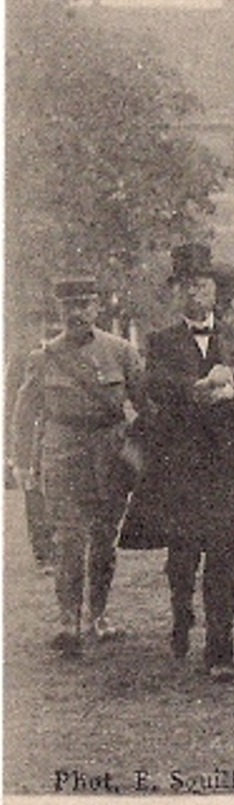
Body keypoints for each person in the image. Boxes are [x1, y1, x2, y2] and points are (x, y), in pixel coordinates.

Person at [132, 244, 234, 679]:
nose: (195, 295)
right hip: (182, 466)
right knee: (183, 554)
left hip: (228, 466)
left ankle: (220, 645)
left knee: (225, 556)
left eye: (203, 286)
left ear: (216, 291)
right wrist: (194, 387)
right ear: (177, 294)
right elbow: (153, 384)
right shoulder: (162, 341)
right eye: (187, 287)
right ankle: (180, 613)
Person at [12, 277, 142, 652]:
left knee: (104, 539)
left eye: (85, 304)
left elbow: (145, 405)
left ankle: (98, 616)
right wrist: (21, 462)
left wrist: (138, 451)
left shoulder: (121, 351)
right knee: (68, 539)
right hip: (62, 453)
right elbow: (24, 414)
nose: (77, 313)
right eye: (70, 306)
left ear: (97, 307)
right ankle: (69, 620)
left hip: (109, 456)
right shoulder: (43, 357)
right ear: (60, 310)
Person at [8, 303, 61, 575]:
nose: (50, 328)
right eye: (44, 323)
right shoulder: (24, 357)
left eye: (53, 322)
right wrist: (16, 453)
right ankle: (44, 553)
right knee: (35, 492)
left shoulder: (72, 352)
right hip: (37, 435)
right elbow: (16, 407)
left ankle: (59, 548)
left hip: (62, 434)